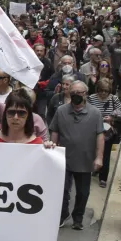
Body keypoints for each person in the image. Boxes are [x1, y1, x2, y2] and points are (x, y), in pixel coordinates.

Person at [50, 81, 104, 230]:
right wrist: (52, 151)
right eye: (73, 93)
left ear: (85, 94)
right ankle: (62, 215)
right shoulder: (61, 111)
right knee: (62, 190)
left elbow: (100, 135)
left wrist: (99, 157)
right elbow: (55, 130)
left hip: (85, 160)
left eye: (79, 93)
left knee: (83, 192)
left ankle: (78, 217)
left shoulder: (95, 113)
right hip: (64, 158)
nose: (76, 96)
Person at [87, 78, 121, 188]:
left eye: (106, 91)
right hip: (93, 131)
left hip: (108, 133)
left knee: (105, 155)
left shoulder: (114, 99)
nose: (103, 93)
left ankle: (103, 178)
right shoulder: (91, 98)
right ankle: (96, 169)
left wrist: (112, 118)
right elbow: (86, 111)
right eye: (101, 90)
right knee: (93, 152)